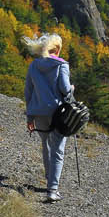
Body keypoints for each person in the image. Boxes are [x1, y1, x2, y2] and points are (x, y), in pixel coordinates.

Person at [22, 32, 72, 202]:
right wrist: (72, 88)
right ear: (57, 49)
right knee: (58, 150)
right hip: (58, 113)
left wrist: (30, 117)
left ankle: (49, 179)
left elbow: (28, 92)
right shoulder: (62, 65)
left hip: (38, 112)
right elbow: (65, 89)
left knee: (46, 145)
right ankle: (52, 189)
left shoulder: (34, 66)